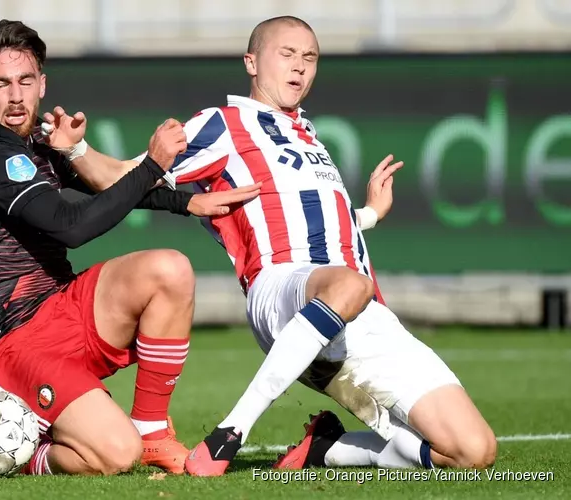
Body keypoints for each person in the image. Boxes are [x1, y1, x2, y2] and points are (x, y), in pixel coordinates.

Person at [60, 16, 497, 476]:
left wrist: (367, 215)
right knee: (349, 285)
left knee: (473, 452)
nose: (300, 67)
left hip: (356, 310)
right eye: (286, 54)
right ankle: (232, 431)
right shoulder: (222, 124)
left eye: (309, 58)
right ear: (251, 62)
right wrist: (75, 150)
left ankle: (328, 450)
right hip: (283, 289)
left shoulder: (307, 133)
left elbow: (311, 225)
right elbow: (124, 181)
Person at [0, 19, 261, 477]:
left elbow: (104, 185)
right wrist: (153, 164)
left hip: (63, 309)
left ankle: (153, 432)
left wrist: (185, 201)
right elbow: (69, 226)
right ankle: (22, 449)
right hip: (13, 343)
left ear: (42, 83)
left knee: (169, 269)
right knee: (114, 455)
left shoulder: (36, 140)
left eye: (26, 81)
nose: (16, 96)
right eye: (1, 84)